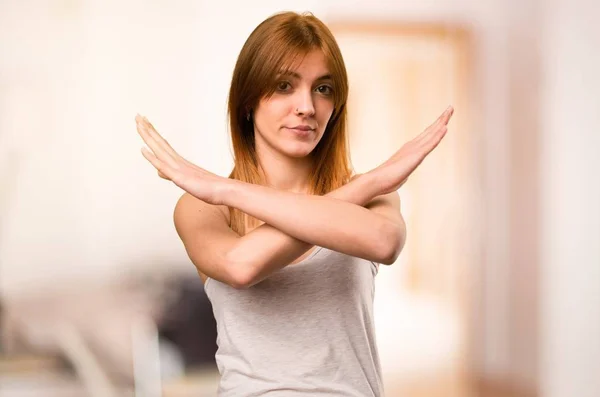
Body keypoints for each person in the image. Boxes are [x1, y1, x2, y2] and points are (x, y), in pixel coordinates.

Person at [135, 10, 453, 397]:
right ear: (249, 101)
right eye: (285, 85)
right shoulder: (204, 206)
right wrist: (367, 183)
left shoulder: (376, 195)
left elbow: (384, 243)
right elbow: (240, 265)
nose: (306, 106)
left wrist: (224, 187)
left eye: (323, 88)